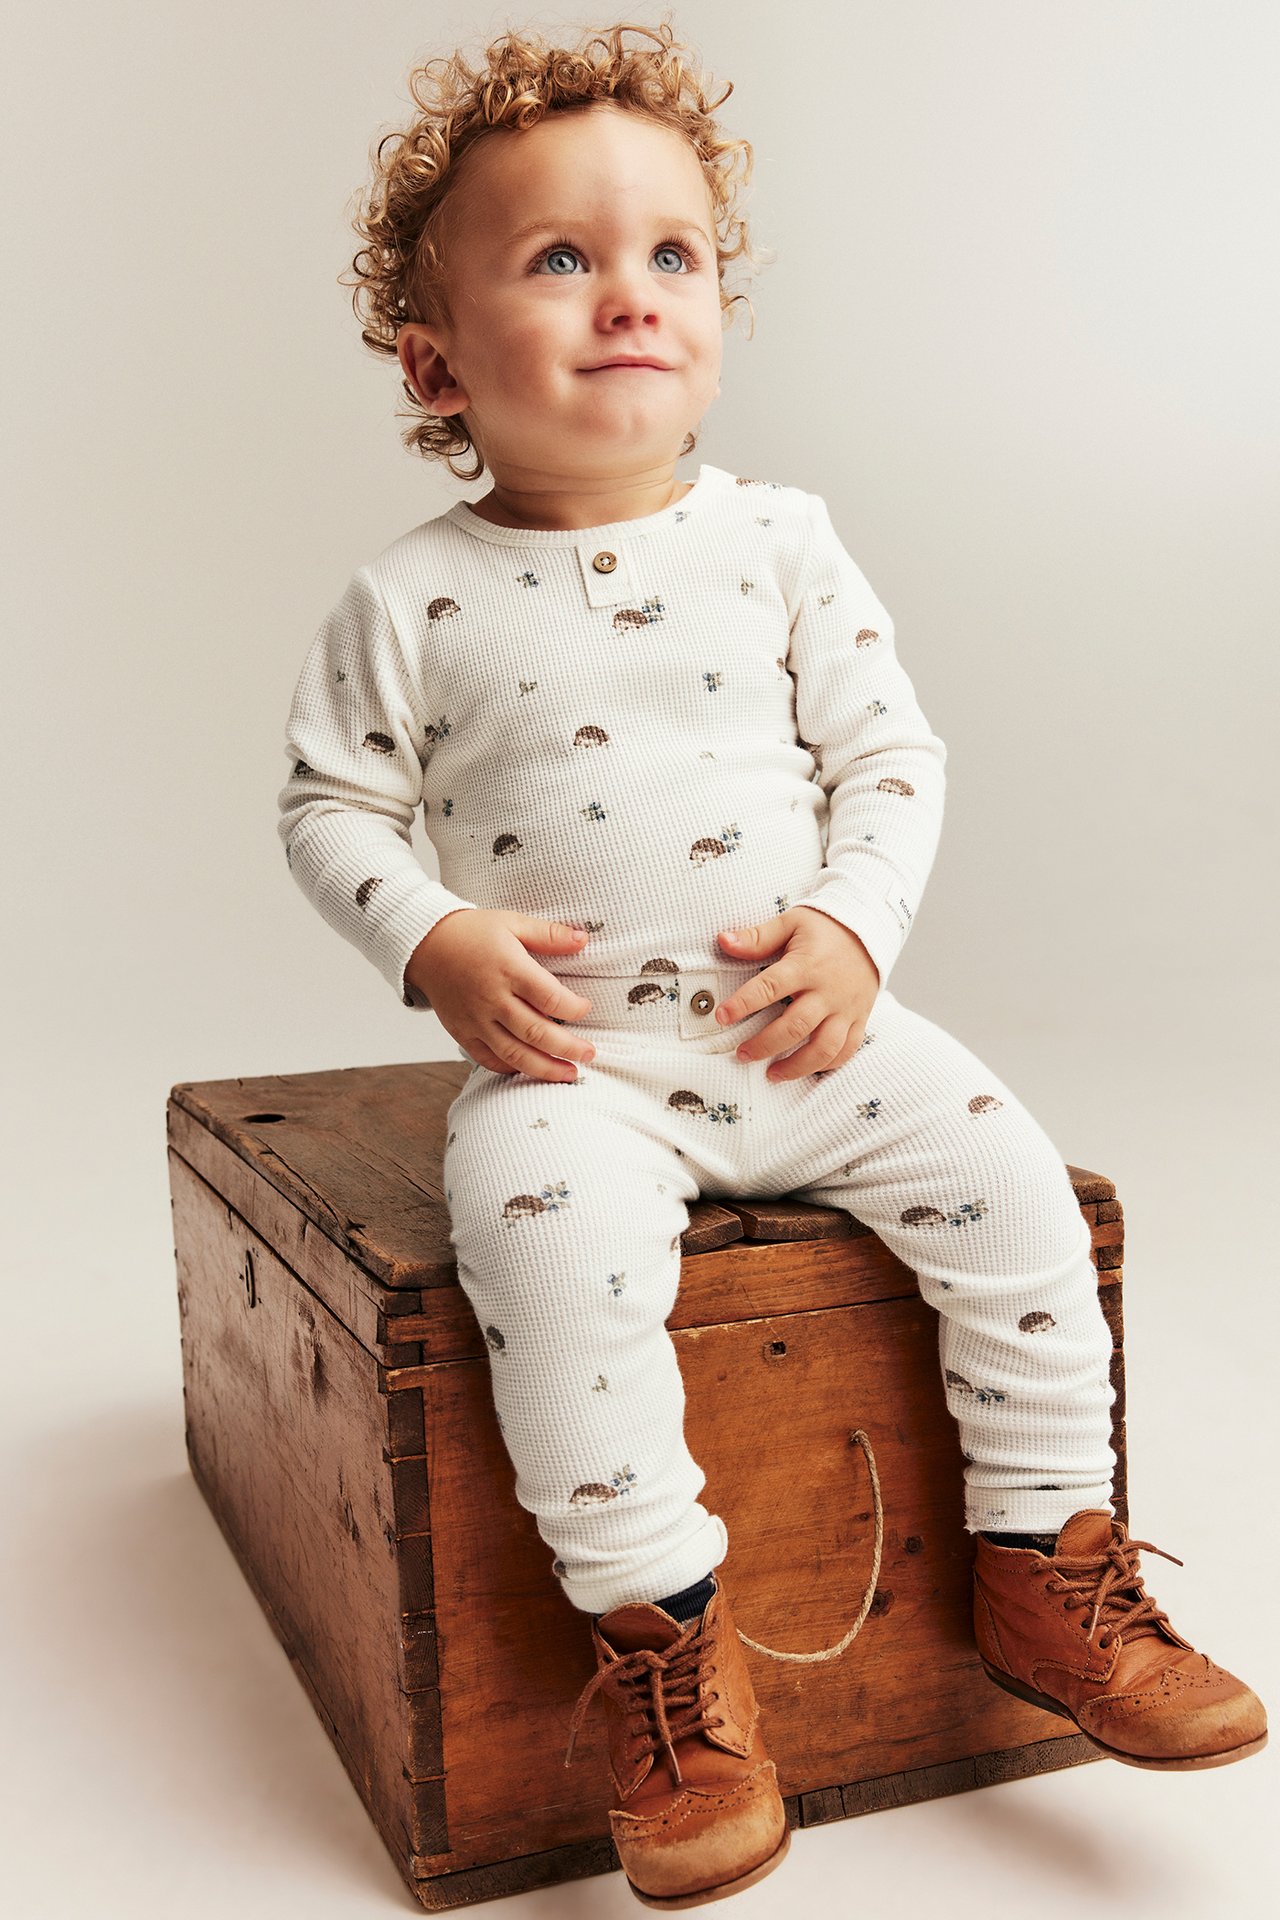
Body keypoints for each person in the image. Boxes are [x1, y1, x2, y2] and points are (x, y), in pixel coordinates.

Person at [276, 17, 1267, 1907]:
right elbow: (329, 811)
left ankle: (1053, 1568)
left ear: (719, 309)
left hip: (805, 1028)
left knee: (1016, 1192)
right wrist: (437, 940)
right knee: (543, 1262)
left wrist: (852, 926)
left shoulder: (783, 544)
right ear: (436, 360)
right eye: (559, 258)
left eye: (671, 255)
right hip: (584, 1072)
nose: (627, 294)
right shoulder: (404, 599)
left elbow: (893, 757)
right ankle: (671, 1657)